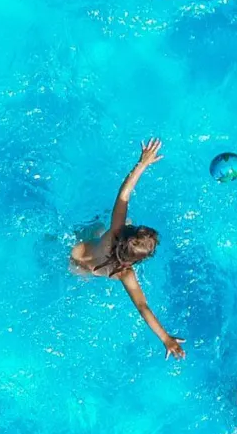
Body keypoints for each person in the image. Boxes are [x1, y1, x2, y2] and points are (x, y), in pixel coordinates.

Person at [69, 138, 185, 359]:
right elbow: (143, 307)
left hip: (75, 251)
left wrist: (142, 163)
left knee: (107, 223)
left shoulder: (115, 231)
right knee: (88, 261)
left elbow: (124, 194)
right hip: (87, 272)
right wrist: (166, 339)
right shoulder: (125, 273)